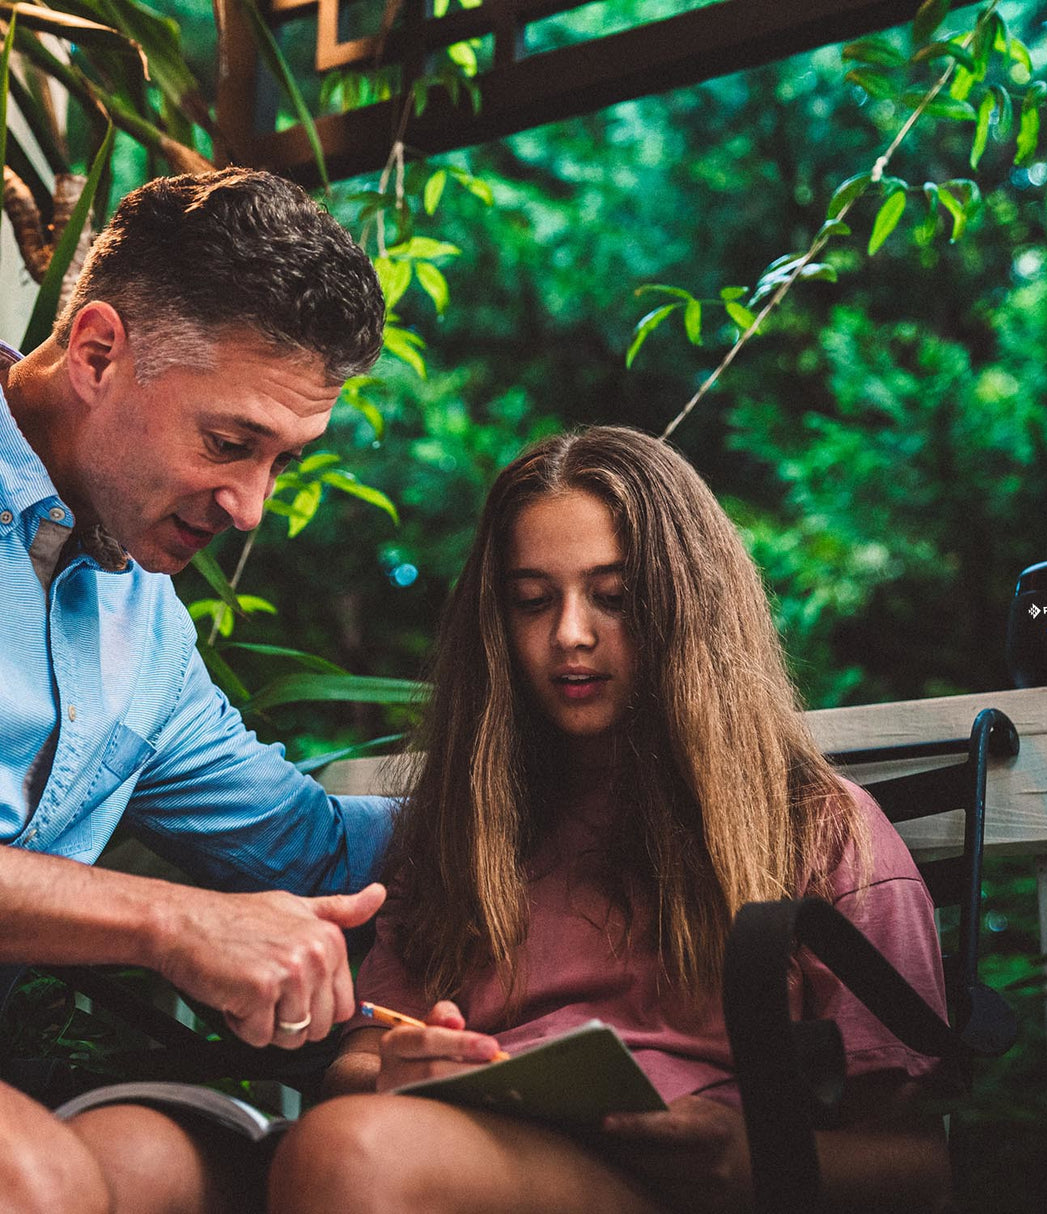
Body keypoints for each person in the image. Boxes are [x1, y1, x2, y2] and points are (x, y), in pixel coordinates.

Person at [266, 426, 953, 1213]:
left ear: (689, 607)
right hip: (460, 1162)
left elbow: (921, 1163)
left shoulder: (817, 828)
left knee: (350, 1155)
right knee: (333, 1148)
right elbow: (359, 1055)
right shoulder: (463, 830)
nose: (570, 634)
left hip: (689, 1189)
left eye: (615, 597)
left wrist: (748, 1160)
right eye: (532, 601)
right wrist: (394, 1071)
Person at [0, 167, 392, 1213]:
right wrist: (169, 923)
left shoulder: (148, 634)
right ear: (97, 353)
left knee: (202, 1170)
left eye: (281, 460)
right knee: (33, 1179)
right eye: (228, 443)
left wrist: (597, 816)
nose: (251, 505)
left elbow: (312, 847)